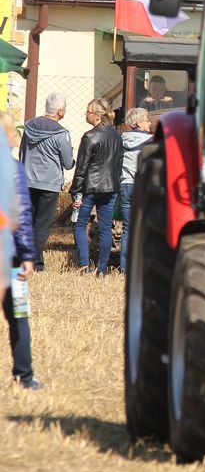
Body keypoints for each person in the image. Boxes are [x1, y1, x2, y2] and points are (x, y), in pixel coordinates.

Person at [0, 113, 40, 389]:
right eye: (14, 132)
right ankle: (25, 376)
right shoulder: (13, 170)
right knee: (19, 315)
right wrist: (28, 255)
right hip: (10, 254)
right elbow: (23, 216)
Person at [19, 91, 74, 272]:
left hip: (27, 180)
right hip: (49, 184)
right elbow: (67, 163)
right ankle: (36, 264)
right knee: (42, 224)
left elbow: (22, 153)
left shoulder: (29, 127)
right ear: (59, 111)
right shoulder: (61, 133)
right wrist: (73, 161)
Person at [71, 98, 123, 276]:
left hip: (89, 189)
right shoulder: (117, 136)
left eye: (88, 111)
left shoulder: (89, 136)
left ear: (97, 115)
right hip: (111, 188)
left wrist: (75, 191)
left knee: (79, 224)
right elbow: (119, 164)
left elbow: (82, 167)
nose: (86, 114)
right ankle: (102, 269)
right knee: (105, 227)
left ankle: (84, 265)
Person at [119, 107, 152, 273]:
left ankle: (124, 267)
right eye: (147, 120)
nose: (149, 123)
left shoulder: (121, 140)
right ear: (139, 123)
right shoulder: (152, 142)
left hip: (125, 185)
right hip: (142, 186)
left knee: (127, 228)